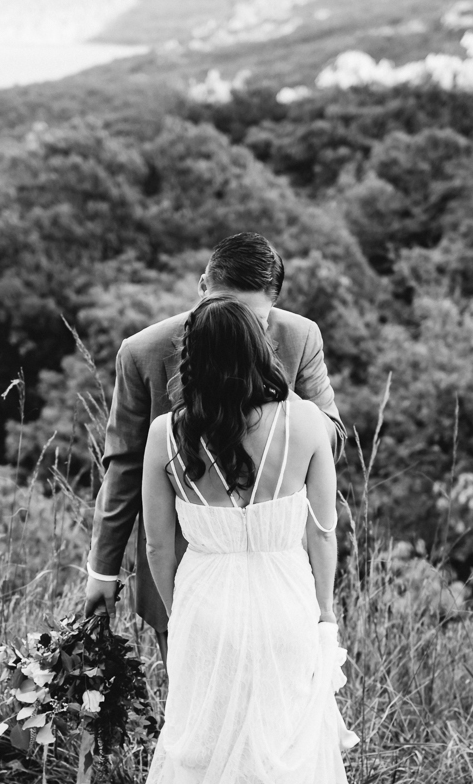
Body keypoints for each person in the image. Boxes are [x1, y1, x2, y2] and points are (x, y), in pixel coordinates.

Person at [43, 296, 351, 784]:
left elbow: (157, 544)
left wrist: (181, 615)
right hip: (284, 595)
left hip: (205, 596)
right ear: (260, 353)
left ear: (193, 358)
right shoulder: (307, 424)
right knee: (277, 741)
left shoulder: (165, 435)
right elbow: (324, 534)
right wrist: (325, 612)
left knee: (210, 742)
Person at [81, 232, 340, 648]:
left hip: (280, 572)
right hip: (185, 570)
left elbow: (333, 437)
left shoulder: (300, 336)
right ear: (202, 286)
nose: (235, 327)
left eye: (253, 320)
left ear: (273, 303)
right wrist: (103, 570)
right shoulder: (142, 351)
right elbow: (124, 467)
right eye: (223, 306)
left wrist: (275, 400)